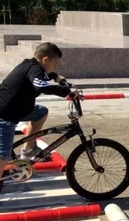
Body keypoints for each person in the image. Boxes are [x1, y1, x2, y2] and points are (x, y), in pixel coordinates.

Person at [0, 43, 77, 194]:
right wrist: (67, 91)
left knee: (41, 112)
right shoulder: (34, 69)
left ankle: (28, 150)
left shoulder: (29, 64)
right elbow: (40, 85)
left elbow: (42, 77)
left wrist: (56, 77)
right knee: (3, 155)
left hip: (16, 110)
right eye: (56, 64)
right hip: (5, 115)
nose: (56, 67)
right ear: (46, 60)